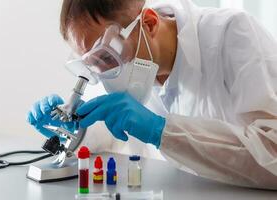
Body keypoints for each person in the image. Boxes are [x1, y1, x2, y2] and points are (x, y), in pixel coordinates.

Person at [27, 0, 277, 189]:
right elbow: (103, 137)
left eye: (105, 56)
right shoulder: (126, 65)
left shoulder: (233, 34)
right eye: (91, 64)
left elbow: (272, 153)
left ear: (149, 23)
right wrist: (72, 130)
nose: (103, 74)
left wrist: (161, 130)